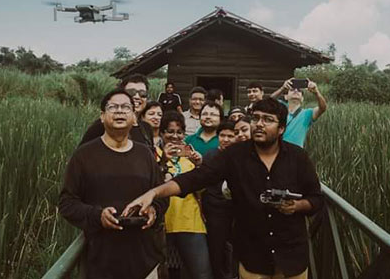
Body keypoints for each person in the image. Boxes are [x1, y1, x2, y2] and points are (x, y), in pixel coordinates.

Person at [123, 97, 324, 279]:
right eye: (256, 118)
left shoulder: (298, 157)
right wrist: (154, 192)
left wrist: (297, 206)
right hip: (253, 255)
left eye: (268, 119)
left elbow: (316, 199)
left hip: (291, 254)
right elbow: (194, 179)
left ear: (281, 128)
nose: (259, 124)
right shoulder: (234, 155)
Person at [59, 89, 167, 279]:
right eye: (113, 107)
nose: (119, 111)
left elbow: (160, 195)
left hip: (145, 258)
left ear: (134, 117)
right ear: (102, 116)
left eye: (126, 107)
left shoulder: (145, 155)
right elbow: (67, 203)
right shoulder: (84, 156)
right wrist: (97, 215)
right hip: (102, 260)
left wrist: (154, 210)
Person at [158, 111, 213, 279]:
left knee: (201, 273)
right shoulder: (152, 155)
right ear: (162, 133)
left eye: (179, 132)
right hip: (162, 222)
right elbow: (150, 185)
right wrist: (162, 162)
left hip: (190, 221)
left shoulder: (191, 156)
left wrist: (199, 167)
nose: (175, 136)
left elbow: (203, 190)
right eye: (170, 131)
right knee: (160, 274)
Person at [78, 74, 155, 149]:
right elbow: (81, 155)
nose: (137, 97)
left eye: (142, 94)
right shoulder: (105, 124)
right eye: (131, 92)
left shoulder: (146, 128)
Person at [202, 121, 238, 279]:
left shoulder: (241, 156)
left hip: (235, 210)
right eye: (223, 135)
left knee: (235, 247)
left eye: (231, 136)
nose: (226, 139)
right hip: (214, 210)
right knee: (216, 248)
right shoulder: (210, 155)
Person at [268, 79, 328, 148]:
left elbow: (323, 108)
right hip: (277, 151)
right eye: (292, 90)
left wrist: (316, 92)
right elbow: (268, 101)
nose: (296, 91)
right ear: (286, 97)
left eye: (299, 91)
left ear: (302, 99)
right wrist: (282, 89)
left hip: (296, 154)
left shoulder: (307, 114)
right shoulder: (279, 107)